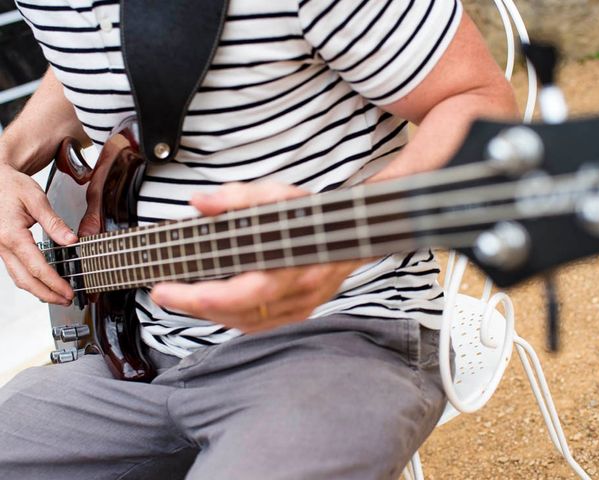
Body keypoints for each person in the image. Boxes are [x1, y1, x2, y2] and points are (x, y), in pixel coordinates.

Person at [0, 1, 517, 478]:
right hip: (134, 351)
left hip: (337, 333)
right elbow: (92, 51)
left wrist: (338, 241)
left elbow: (480, 104)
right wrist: (7, 158)